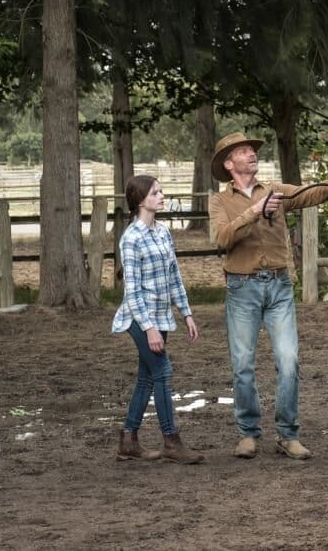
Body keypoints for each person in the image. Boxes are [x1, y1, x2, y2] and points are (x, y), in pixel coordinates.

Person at [208, 132, 328, 460]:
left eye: (251, 151)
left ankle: (288, 434)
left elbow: (306, 194)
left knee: (289, 361)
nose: (251, 155)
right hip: (242, 289)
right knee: (243, 364)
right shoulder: (219, 201)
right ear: (229, 164)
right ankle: (247, 434)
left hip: (280, 287)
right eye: (243, 152)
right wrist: (255, 210)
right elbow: (222, 239)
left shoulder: (276, 190)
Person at [111, 174, 204, 464]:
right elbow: (133, 291)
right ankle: (171, 442)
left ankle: (128, 441)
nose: (162, 197)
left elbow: (174, 277)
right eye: (155, 193)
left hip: (163, 317)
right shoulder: (131, 239)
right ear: (140, 200)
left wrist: (186, 313)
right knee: (162, 371)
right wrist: (149, 328)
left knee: (147, 378)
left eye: (161, 192)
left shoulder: (163, 233)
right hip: (140, 319)